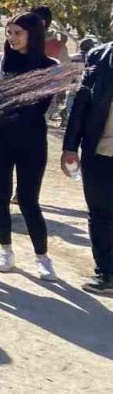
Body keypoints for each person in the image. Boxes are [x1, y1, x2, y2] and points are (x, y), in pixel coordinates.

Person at [0, 11, 59, 280]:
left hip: (33, 140)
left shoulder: (51, 66)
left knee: (29, 200)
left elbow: (47, 106)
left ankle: (42, 257)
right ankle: (5, 250)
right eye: (9, 32)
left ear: (33, 35)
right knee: (0, 196)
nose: (12, 38)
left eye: (18, 33)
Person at [61, 29, 113, 295]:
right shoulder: (99, 56)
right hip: (100, 151)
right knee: (100, 215)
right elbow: (81, 104)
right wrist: (70, 146)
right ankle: (106, 274)